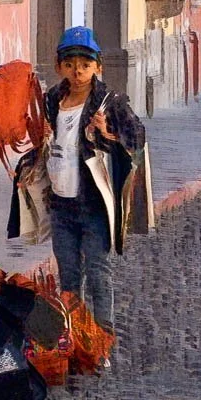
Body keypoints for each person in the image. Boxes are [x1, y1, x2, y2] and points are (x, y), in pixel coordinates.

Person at [40, 27, 147, 334]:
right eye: (71, 64)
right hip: (61, 205)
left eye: (85, 65)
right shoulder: (52, 100)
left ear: (98, 66)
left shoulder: (109, 102)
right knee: (70, 277)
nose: (78, 71)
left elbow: (137, 136)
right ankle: (73, 337)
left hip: (94, 206)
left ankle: (103, 337)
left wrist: (107, 132)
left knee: (99, 273)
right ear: (60, 66)